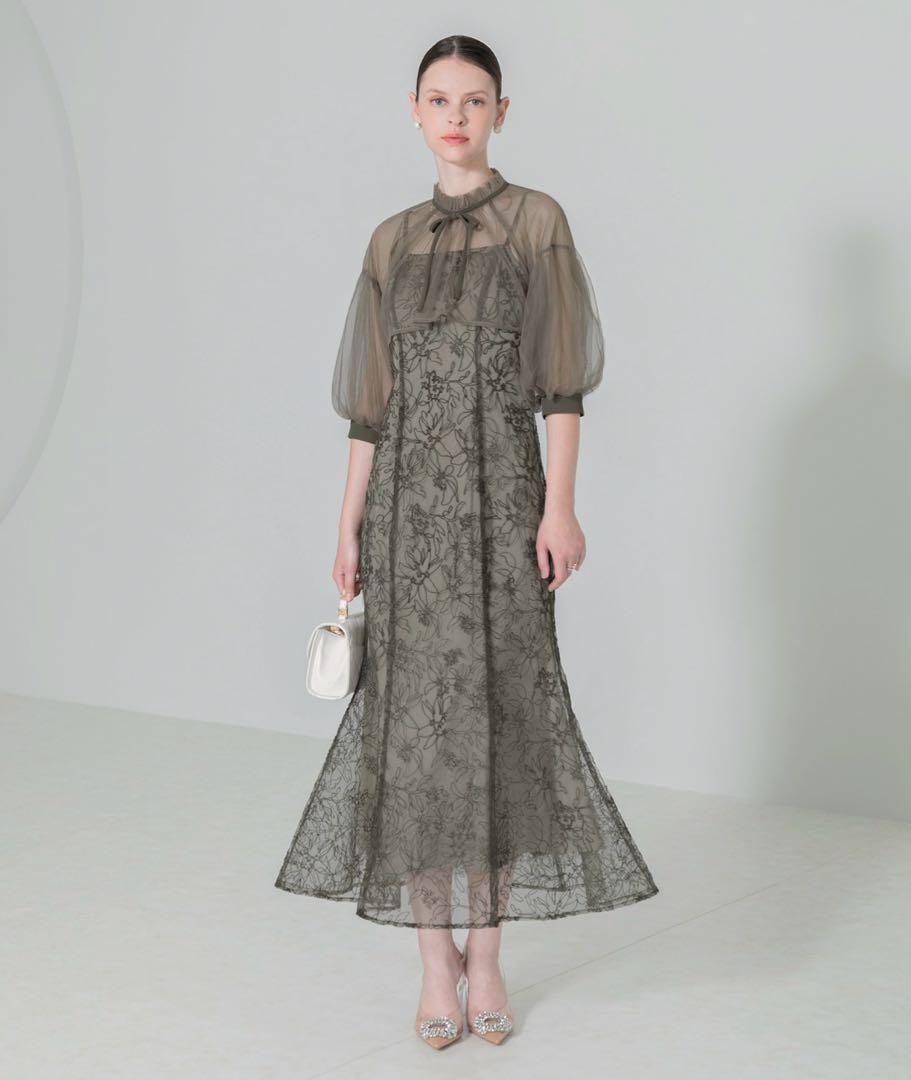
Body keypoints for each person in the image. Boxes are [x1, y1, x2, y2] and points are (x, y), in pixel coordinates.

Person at [275, 34, 660, 1049]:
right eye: (439, 99)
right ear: (414, 111)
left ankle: (486, 957)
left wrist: (560, 508)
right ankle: (431, 963)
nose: (456, 115)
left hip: (501, 510)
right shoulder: (390, 242)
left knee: (501, 724)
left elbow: (562, 387)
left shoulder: (536, 222)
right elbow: (370, 408)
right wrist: (348, 521)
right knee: (413, 736)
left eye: (474, 99)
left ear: (500, 112)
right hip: (405, 516)